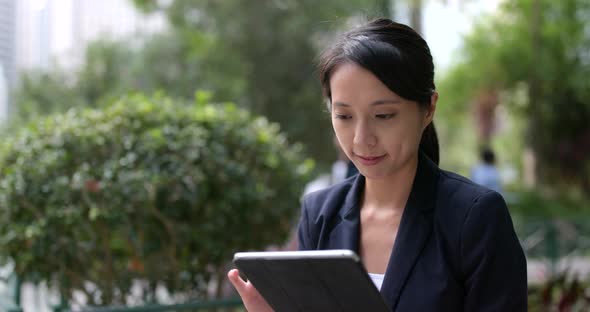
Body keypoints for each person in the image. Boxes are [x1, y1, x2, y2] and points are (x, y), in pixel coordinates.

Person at [228, 18, 527, 311]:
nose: (361, 139)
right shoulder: (320, 215)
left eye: (383, 115)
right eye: (344, 116)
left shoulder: (474, 218)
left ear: (428, 108)